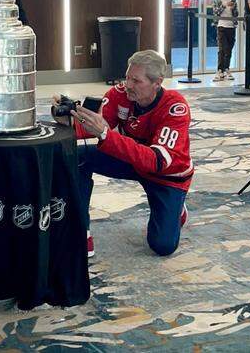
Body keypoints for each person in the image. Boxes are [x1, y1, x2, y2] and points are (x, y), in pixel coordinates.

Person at [62, 50, 191, 257]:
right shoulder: (119, 93)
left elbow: (156, 161)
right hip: (133, 161)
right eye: (128, 77)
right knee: (78, 156)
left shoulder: (175, 107)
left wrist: (105, 134)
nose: (128, 84)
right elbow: (94, 128)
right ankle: (80, 231)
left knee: (163, 246)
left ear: (157, 83)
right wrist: (68, 119)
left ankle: (177, 209)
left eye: (136, 81)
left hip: (166, 175)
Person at [211, 0, 238, 81]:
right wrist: (223, 5)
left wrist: (233, 8)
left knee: (229, 50)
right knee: (222, 49)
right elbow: (215, 12)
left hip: (231, 27)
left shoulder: (233, 0)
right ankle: (219, 70)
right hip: (221, 26)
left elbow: (236, 14)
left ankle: (226, 69)